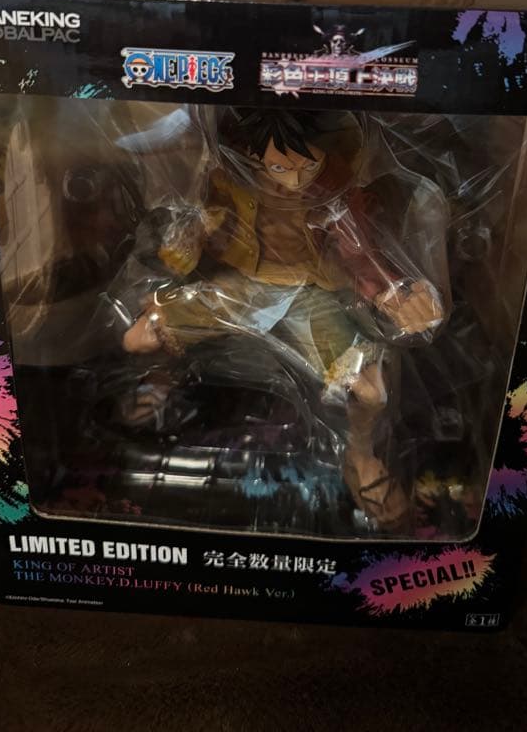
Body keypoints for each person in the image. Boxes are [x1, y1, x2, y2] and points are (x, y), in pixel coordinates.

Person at [120, 109, 444, 529]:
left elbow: (362, 251)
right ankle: (163, 378)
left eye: (306, 166)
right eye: (279, 168)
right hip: (242, 286)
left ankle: (361, 455)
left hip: (312, 294)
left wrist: (394, 292)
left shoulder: (337, 189)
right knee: (140, 337)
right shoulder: (229, 176)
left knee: (369, 391)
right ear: (253, 158)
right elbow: (200, 222)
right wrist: (189, 239)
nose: (294, 180)